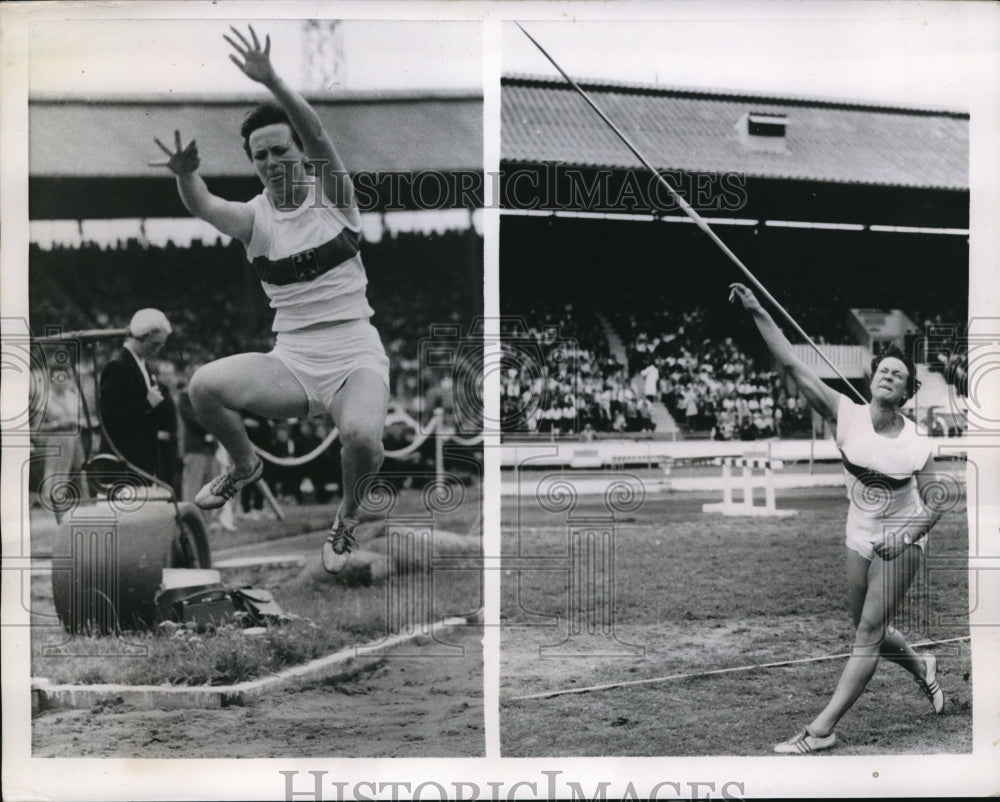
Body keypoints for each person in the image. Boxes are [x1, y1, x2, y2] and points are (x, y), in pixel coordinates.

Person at [151, 26, 389, 573]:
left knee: (361, 439)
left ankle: (347, 519)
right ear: (254, 164)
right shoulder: (255, 218)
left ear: (299, 153)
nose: (272, 161)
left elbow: (321, 134)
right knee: (204, 387)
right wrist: (187, 176)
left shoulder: (335, 196)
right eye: (261, 156)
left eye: (281, 149)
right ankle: (243, 464)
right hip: (293, 359)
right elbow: (205, 205)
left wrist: (273, 80)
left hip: (354, 350)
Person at [729, 282, 948, 754]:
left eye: (898, 374)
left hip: (901, 535)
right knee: (866, 627)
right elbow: (791, 362)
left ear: (908, 393)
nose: (888, 375)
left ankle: (821, 730)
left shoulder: (918, 443)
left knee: (869, 633)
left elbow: (936, 502)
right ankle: (921, 665)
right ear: (872, 380)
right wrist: (757, 310)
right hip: (859, 529)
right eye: (883, 369)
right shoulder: (843, 412)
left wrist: (907, 536)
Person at [99, 308, 172, 484]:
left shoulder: (144, 366)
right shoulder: (117, 366)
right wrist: (146, 404)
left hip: (141, 460)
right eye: (155, 344)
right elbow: (108, 417)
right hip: (123, 462)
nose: (159, 349)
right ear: (142, 337)